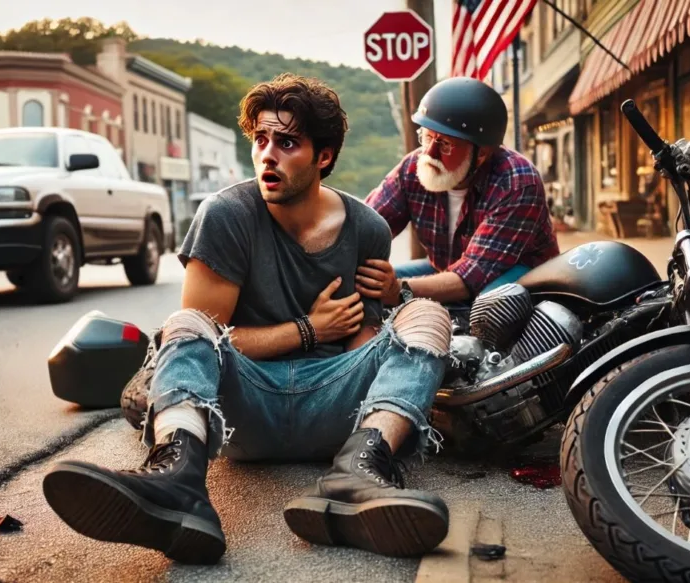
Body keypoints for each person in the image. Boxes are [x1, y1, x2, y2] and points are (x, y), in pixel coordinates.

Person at [41, 73, 454, 565]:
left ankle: (361, 471)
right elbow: (206, 345)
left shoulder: (367, 227)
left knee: (427, 315)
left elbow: (360, 344)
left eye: (287, 142)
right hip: (243, 411)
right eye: (260, 140)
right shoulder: (225, 215)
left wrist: (390, 312)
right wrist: (308, 330)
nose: (267, 155)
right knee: (187, 324)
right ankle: (177, 479)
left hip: (334, 412)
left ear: (323, 156)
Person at [357, 76, 560, 311]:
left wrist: (399, 291)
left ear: (481, 153)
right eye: (427, 137)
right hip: (448, 269)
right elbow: (366, 227)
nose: (430, 153)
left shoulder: (517, 182)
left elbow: (473, 276)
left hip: (519, 281)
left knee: (485, 307)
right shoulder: (413, 168)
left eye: (445, 144)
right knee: (364, 287)